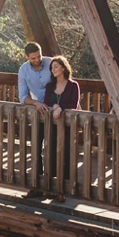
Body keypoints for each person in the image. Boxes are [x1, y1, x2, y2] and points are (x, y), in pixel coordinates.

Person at [42, 56, 80, 202]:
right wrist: (56, 107)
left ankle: (63, 190)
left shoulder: (73, 85)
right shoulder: (50, 86)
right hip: (52, 125)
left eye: (56, 66)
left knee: (66, 155)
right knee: (50, 153)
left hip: (68, 126)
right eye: (52, 67)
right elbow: (46, 103)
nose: (53, 69)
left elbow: (74, 104)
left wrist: (61, 108)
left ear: (63, 68)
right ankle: (50, 188)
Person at [18, 42, 52, 198]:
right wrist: (36, 102)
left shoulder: (52, 63)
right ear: (26, 57)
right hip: (39, 111)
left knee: (55, 149)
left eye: (39, 56)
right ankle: (36, 186)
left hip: (56, 110)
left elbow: (66, 82)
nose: (38, 59)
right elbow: (23, 97)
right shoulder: (23, 70)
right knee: (36, 148)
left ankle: (54, 188)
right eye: (33, 58)